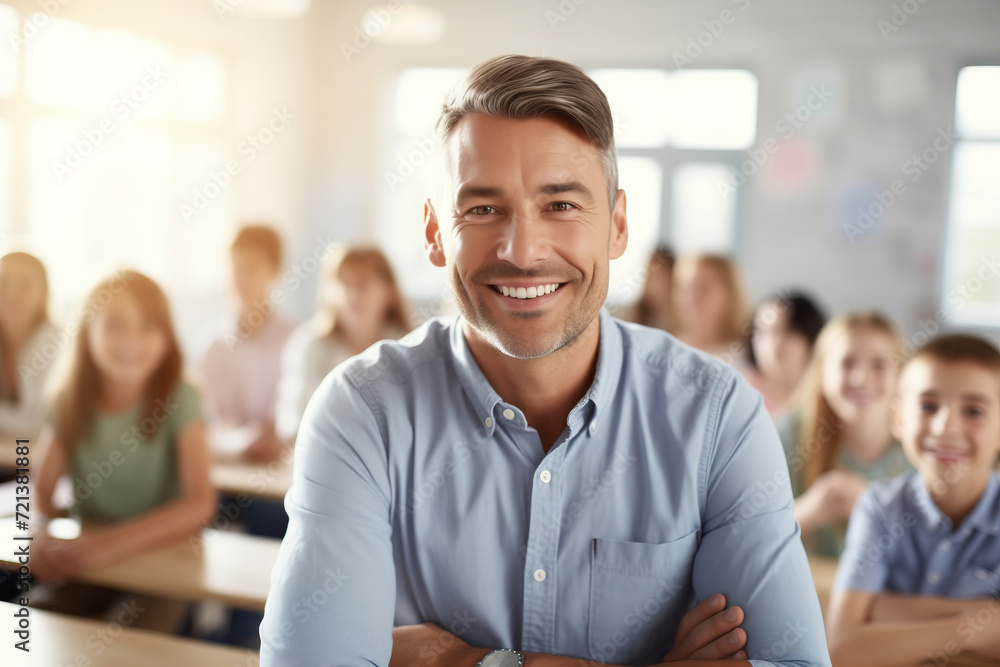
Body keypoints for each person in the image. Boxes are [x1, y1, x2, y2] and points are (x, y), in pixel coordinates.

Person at [260, 54, 830, 667]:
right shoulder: (363, 411)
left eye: (560, 205)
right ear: (432, 233)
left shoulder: (720, 417)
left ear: (616, 225)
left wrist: (455, 660)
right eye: (482, 208)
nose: (523, 252)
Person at [827, 334, 1000, 666]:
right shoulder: (878, 507)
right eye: (928, 406)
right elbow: (841, 648)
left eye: (974, 411)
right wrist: (978, 625)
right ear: (898, 419)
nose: (945, 425)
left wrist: (882, 610)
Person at [32, 270, 215, 579]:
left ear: (167, 337)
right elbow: (40, 486)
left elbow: (200, 504)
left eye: (148, 326)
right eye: (115, 324)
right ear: (87, 332)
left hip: (165, 557)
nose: (132, 339)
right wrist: (37, 529)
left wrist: (112, 544)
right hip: (89, 562)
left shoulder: (181, 398)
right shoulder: (67, 400)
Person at [777, 311, 912, 557]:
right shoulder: (786, 436)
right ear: (821, 374)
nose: (861, 379)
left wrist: (872, 508)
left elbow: (928, 554)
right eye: (847, 363)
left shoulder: (918, 447)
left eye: (880, 365)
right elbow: (750, 536)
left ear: (900, 375)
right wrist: (808, 511)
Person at [275, 244, 409, 441]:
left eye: (362, 284)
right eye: (344, 283)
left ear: (389, 292)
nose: (352, 295)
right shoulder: (310, 346)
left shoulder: (408, 348)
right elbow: (293, 423)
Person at [198, 225, 296, 463]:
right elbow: (202, 427)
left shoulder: (298, 342)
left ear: (275, 272)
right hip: (226, 477)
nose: (240, 279)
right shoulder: (209, 349)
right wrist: (242, 442)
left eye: (251, 269)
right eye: (235, 268)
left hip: (282, 480)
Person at [0, 252, 59, 436]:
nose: (12, 293)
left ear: (44, 293)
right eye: (3, 282)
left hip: (30, 457)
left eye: (25, 285)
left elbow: (37, 422)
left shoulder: (56, 344)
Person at [746, 291, 826, 417]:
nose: (775, 344)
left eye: (789, 330)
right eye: (763, 332)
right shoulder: (739, 397)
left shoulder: (832, 396)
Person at [672, 254, 748, 365]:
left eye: (703, 287)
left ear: (729, 293)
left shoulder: (749, 355)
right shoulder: (667, 348)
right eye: (684, 289)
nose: (691, 298)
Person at [620, 245, 676, 333]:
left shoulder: (679, 320)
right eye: (650, 274)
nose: (652, 281)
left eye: (659, 276)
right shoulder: (630, 315)